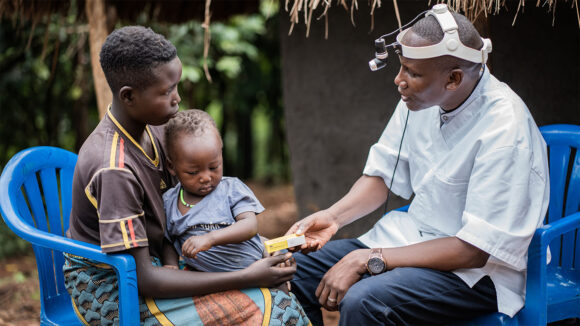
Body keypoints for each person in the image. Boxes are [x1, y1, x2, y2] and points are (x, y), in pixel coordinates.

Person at [286, 4, 549, 325]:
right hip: (411, 239)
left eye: (412, 72)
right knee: (292, 271)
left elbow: (474, 250)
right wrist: (333, 217)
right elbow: (380, 178)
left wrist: (371, 259)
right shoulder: (419, 101)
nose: (399, 80)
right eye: (400, 67)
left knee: (364, 301)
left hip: (479, 272)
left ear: (453, 78)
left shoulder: (505, 127)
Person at [64, 25, 310, 325]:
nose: (177, 98)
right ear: (129, 96)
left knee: (279, 292)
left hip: (165, 263)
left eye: (176, 86)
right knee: (270, 306)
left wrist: (251, 250)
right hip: (113, 286)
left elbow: (204, 200)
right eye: (166, 91)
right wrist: (245, 276)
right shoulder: (114, 168)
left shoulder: (157, 131)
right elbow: (143, 280)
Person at [162, 109, 266, 273]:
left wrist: (210, 239)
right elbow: (168, 240)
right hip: (209, 280)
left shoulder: (231, 189)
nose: (205, 177)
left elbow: (249, 225)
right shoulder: (169, 203)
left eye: (213, 167)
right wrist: (171, 264)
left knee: (283, 279)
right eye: (193, 172)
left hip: (255, 268)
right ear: (171, 166)